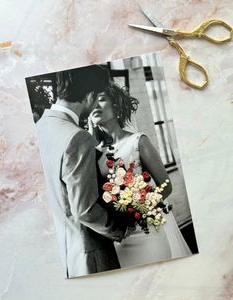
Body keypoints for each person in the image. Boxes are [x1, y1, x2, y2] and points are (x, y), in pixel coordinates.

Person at [35, 66, 126, 278]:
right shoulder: (77, 137)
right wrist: (121, 229)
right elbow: (84, 210)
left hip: (63, 254)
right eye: (97, 98)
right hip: (90, 255)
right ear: (89, 95)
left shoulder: (40, 128)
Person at [89, 82, 191, 267]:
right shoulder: (93, 153)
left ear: (116, 106)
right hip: (117, 239)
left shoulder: (138, 141)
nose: (95, 106)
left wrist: (138, 208)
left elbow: (166, 185)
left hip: (147, 232)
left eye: (101, 100)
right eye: (91, 101)